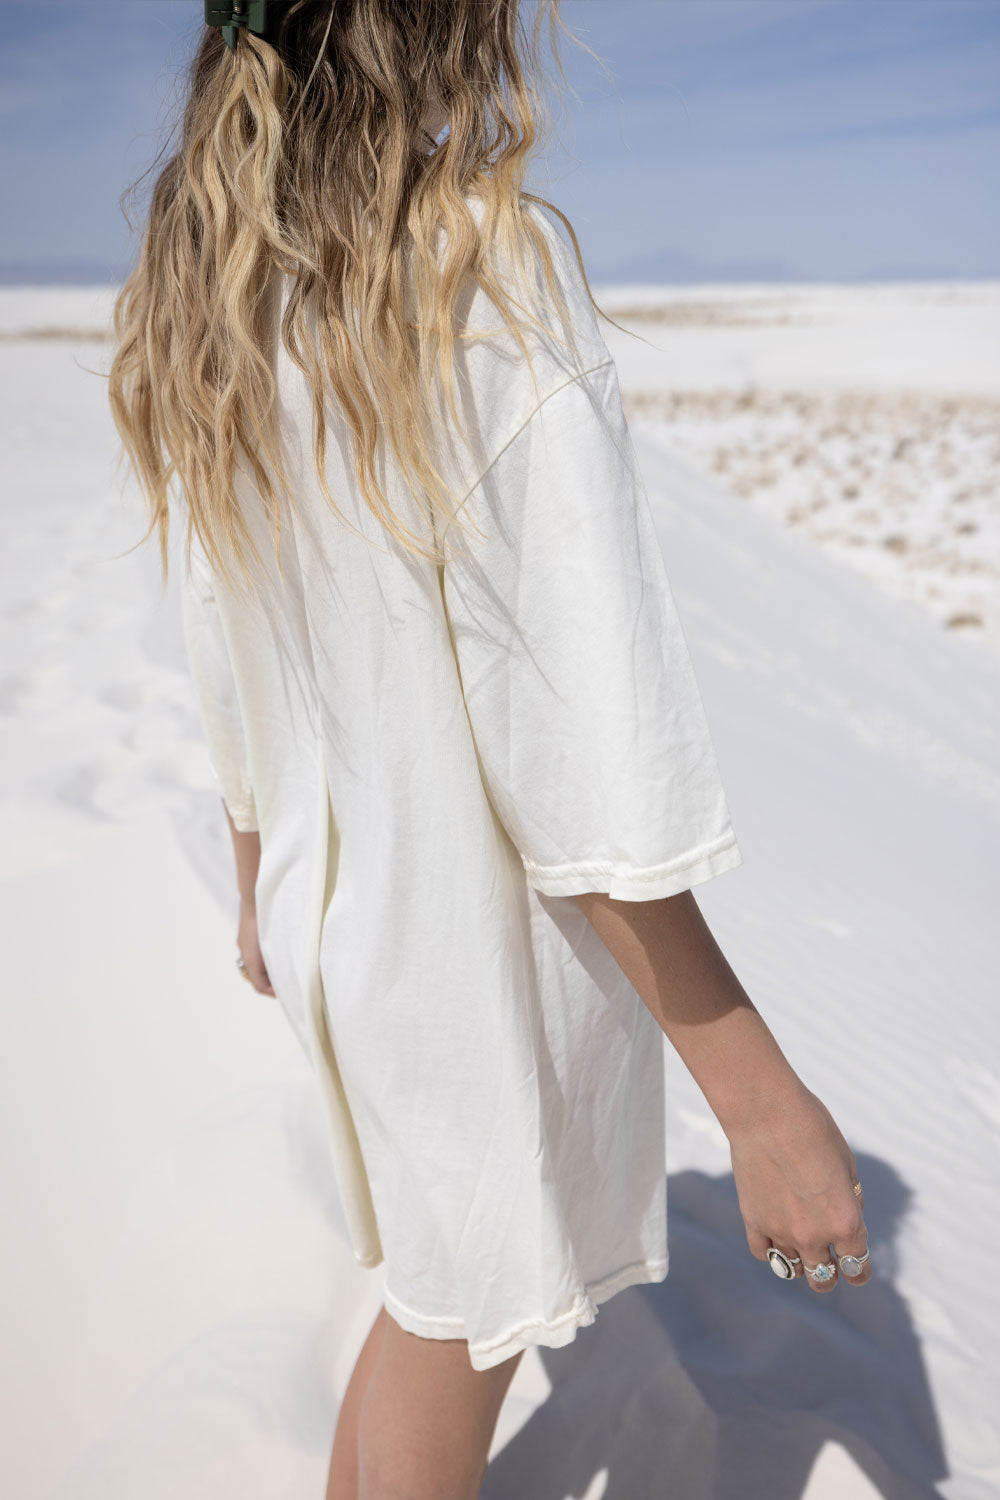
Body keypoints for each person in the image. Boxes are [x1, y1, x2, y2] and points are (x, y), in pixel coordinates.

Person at [107, 3, 871, 1497]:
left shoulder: (223, 295)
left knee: (437, 1321)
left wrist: (263, 860)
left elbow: (223, 625)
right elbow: (579, 748)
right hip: (470, 954)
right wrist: (764, 1108)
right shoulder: (481, 269)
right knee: (447, 1328)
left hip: (345, 929)